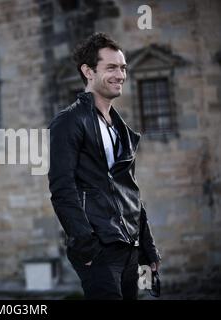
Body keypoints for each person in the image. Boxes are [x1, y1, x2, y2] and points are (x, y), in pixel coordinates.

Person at [48, 33, 161, 300]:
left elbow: (130, 192)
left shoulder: (122, 130)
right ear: (88, 71)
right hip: (99, 249)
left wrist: (147, 246)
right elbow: (62, 189)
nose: (120, 74)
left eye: (122, 67)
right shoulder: (69, 122)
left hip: (129, 248)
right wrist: (86, 245)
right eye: (111, 67)